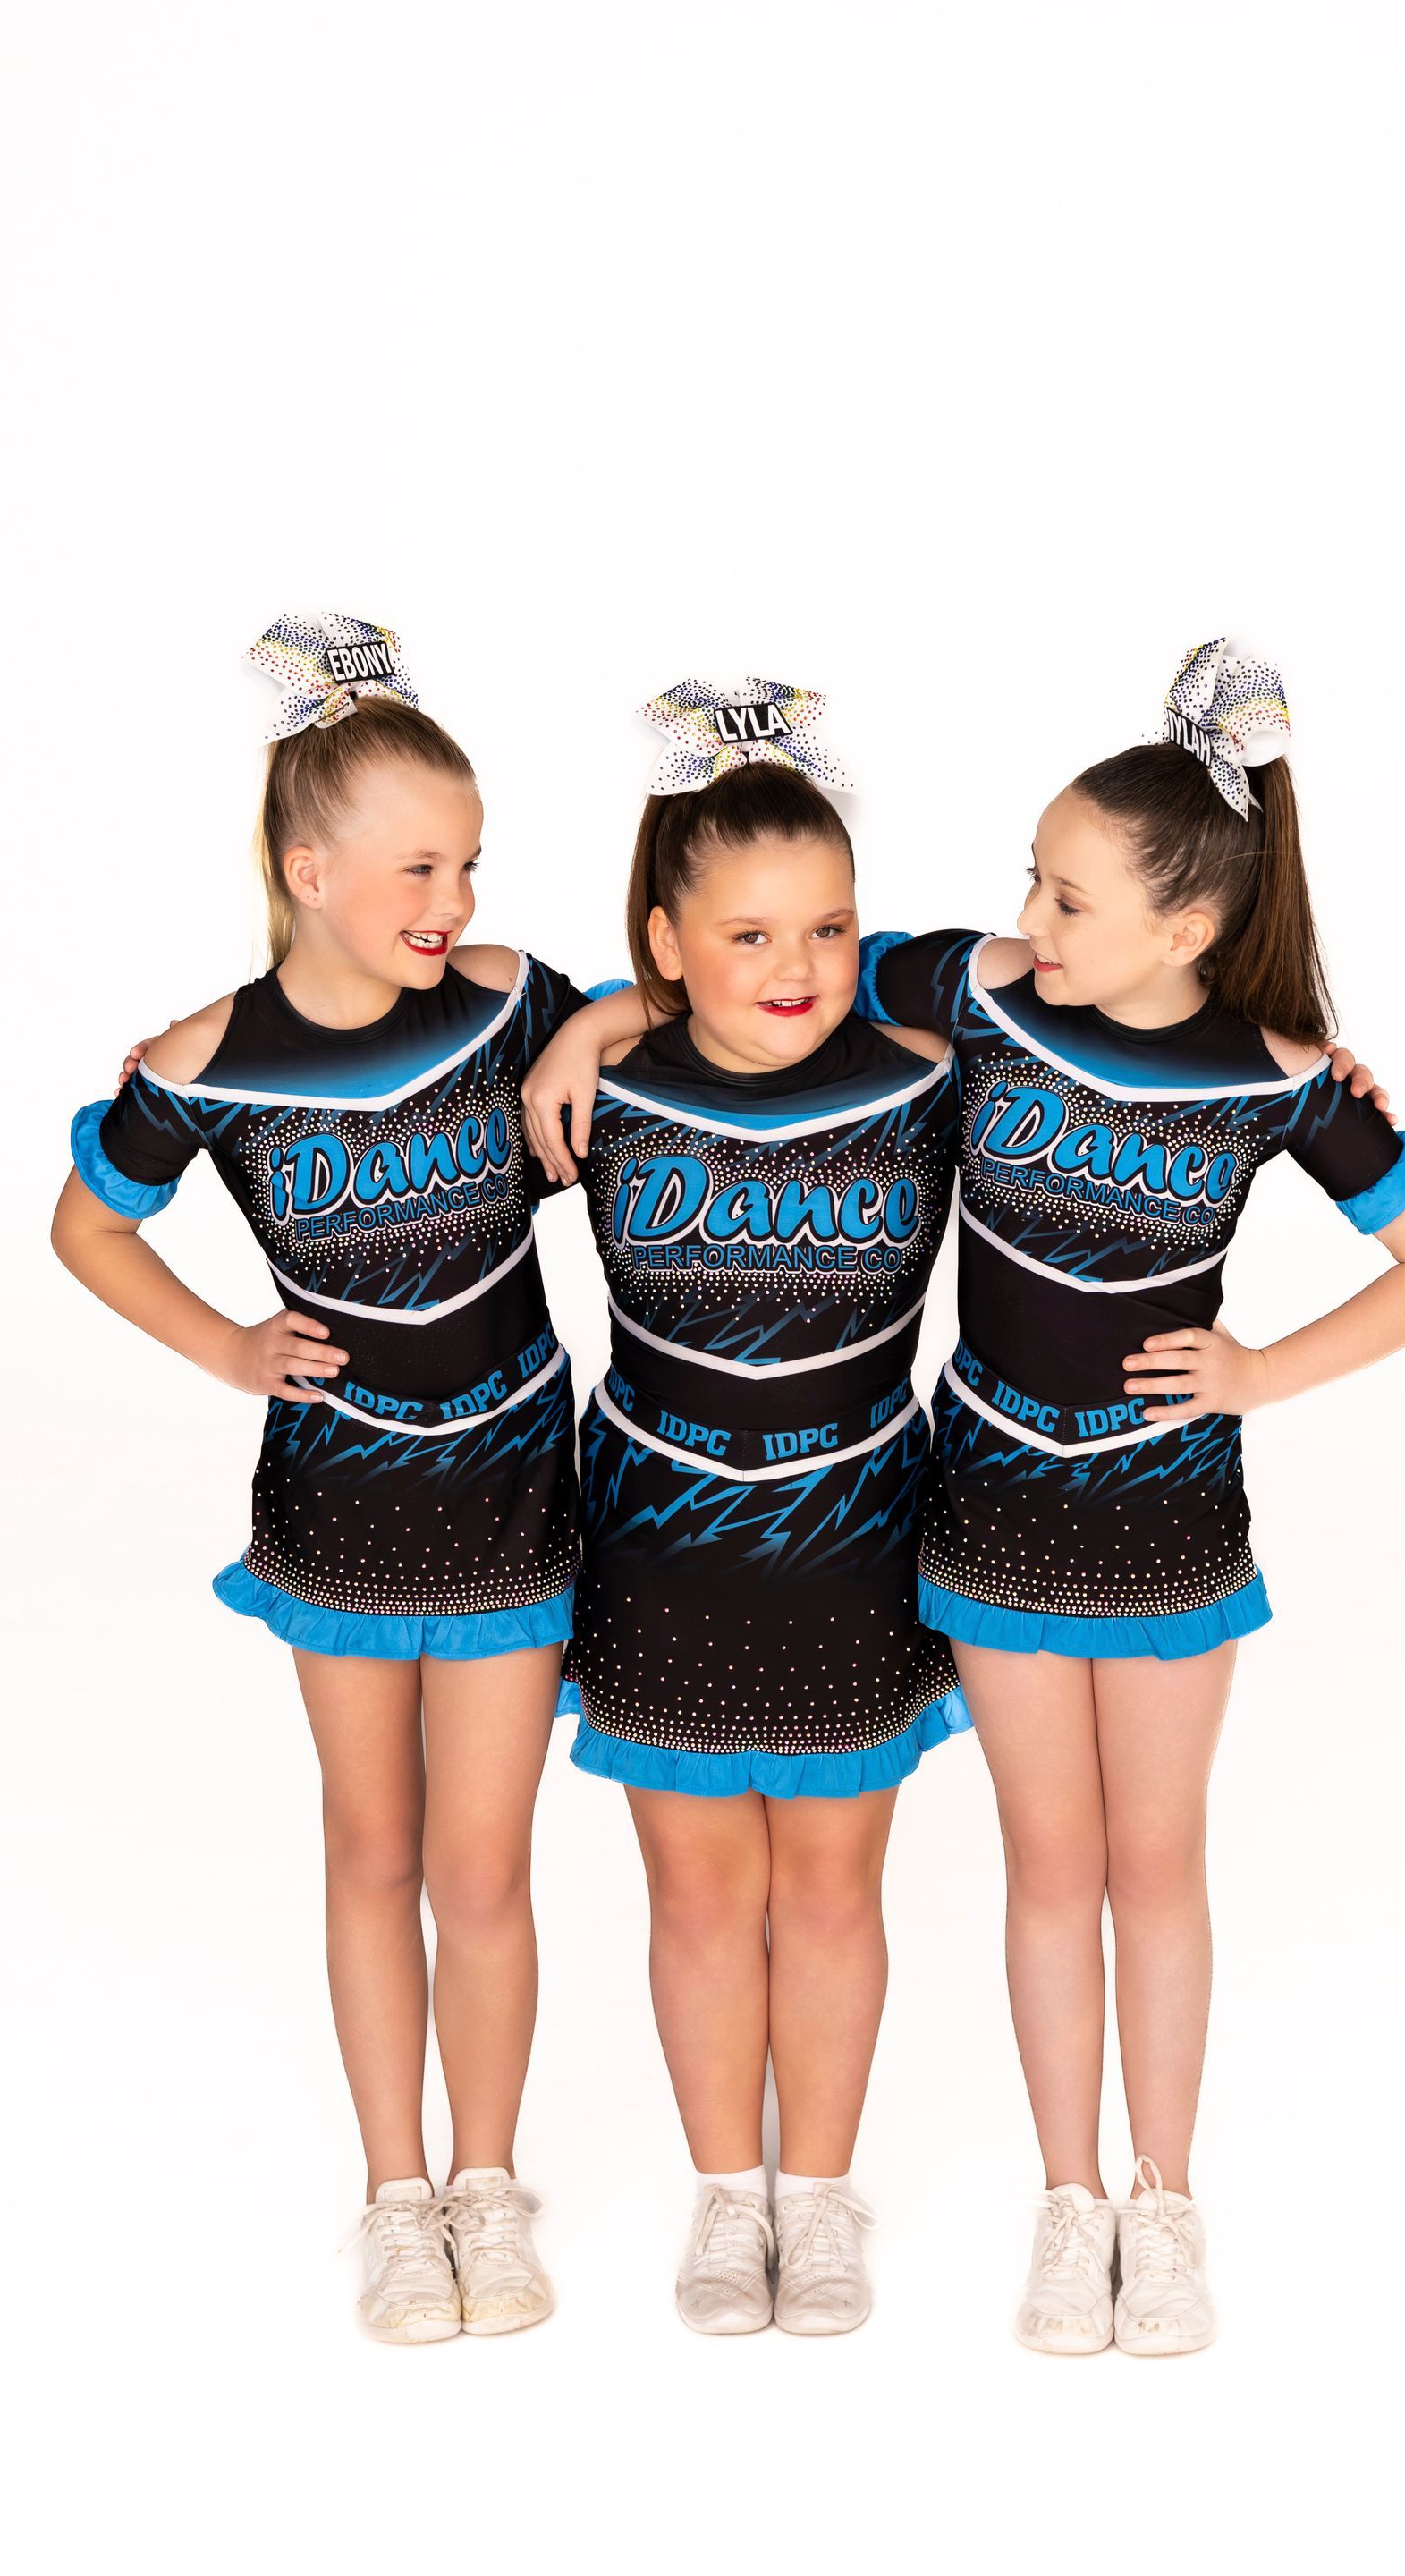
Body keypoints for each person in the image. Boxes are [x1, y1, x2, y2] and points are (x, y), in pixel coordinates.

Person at [853, 640, 1405, 2354]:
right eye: (1033, 887)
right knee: (1046, 1863)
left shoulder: (1279, 1077)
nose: (1032, 922)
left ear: (1185, 929)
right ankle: (1069, 2205)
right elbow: (786, 974)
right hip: (986, 1502)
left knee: (1158, 1859)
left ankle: (1168, 2196)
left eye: (1068, 900)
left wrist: (1266, 1370)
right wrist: (608, 1017)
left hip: (1165, 1524)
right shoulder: (979, 996)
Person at [52, 614, 593, 2343]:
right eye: (419, 863)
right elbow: (85, 1225)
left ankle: (491, 2187)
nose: (453, 895)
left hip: (512, 1484)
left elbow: (702, 995)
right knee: (372, 1846)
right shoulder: (209, 1061)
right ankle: (392, 2190)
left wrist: (592, 1034)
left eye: (473, 862)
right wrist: (224, 1348)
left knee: (485, 1865)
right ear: (309, 865)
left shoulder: (511, 1003)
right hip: (341, 1507)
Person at [521, 678, 967, 2336]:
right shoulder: (590, 1099)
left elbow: (1088, 985)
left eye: (831, 930)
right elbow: (456, 1002)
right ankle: (727, 2195)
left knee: (836, 1888)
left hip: (861, 1541)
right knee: (702, 1892)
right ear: (665, 938)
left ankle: (825, 2195)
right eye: (749, 933)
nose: (794, 970)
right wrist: (591, 1023)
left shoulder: (928, 1079)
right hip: (662, 1541)